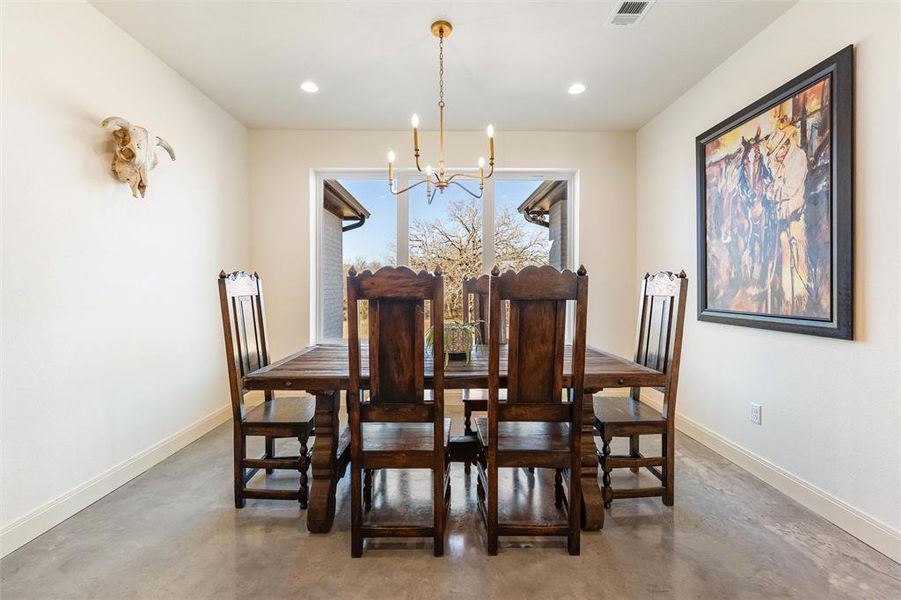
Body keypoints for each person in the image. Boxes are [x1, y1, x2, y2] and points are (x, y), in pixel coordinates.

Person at [765, 121, 810, 314]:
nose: (776, 156)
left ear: (784, 145)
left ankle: (802, 303)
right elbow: (777, 187)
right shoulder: (782, 164)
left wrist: (773, 193)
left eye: (777, 152)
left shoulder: (798, 157)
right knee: (785, 261)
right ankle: (788, 300)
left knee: (799, 261)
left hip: (796, 219)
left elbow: (789, 189)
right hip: (783, 219)